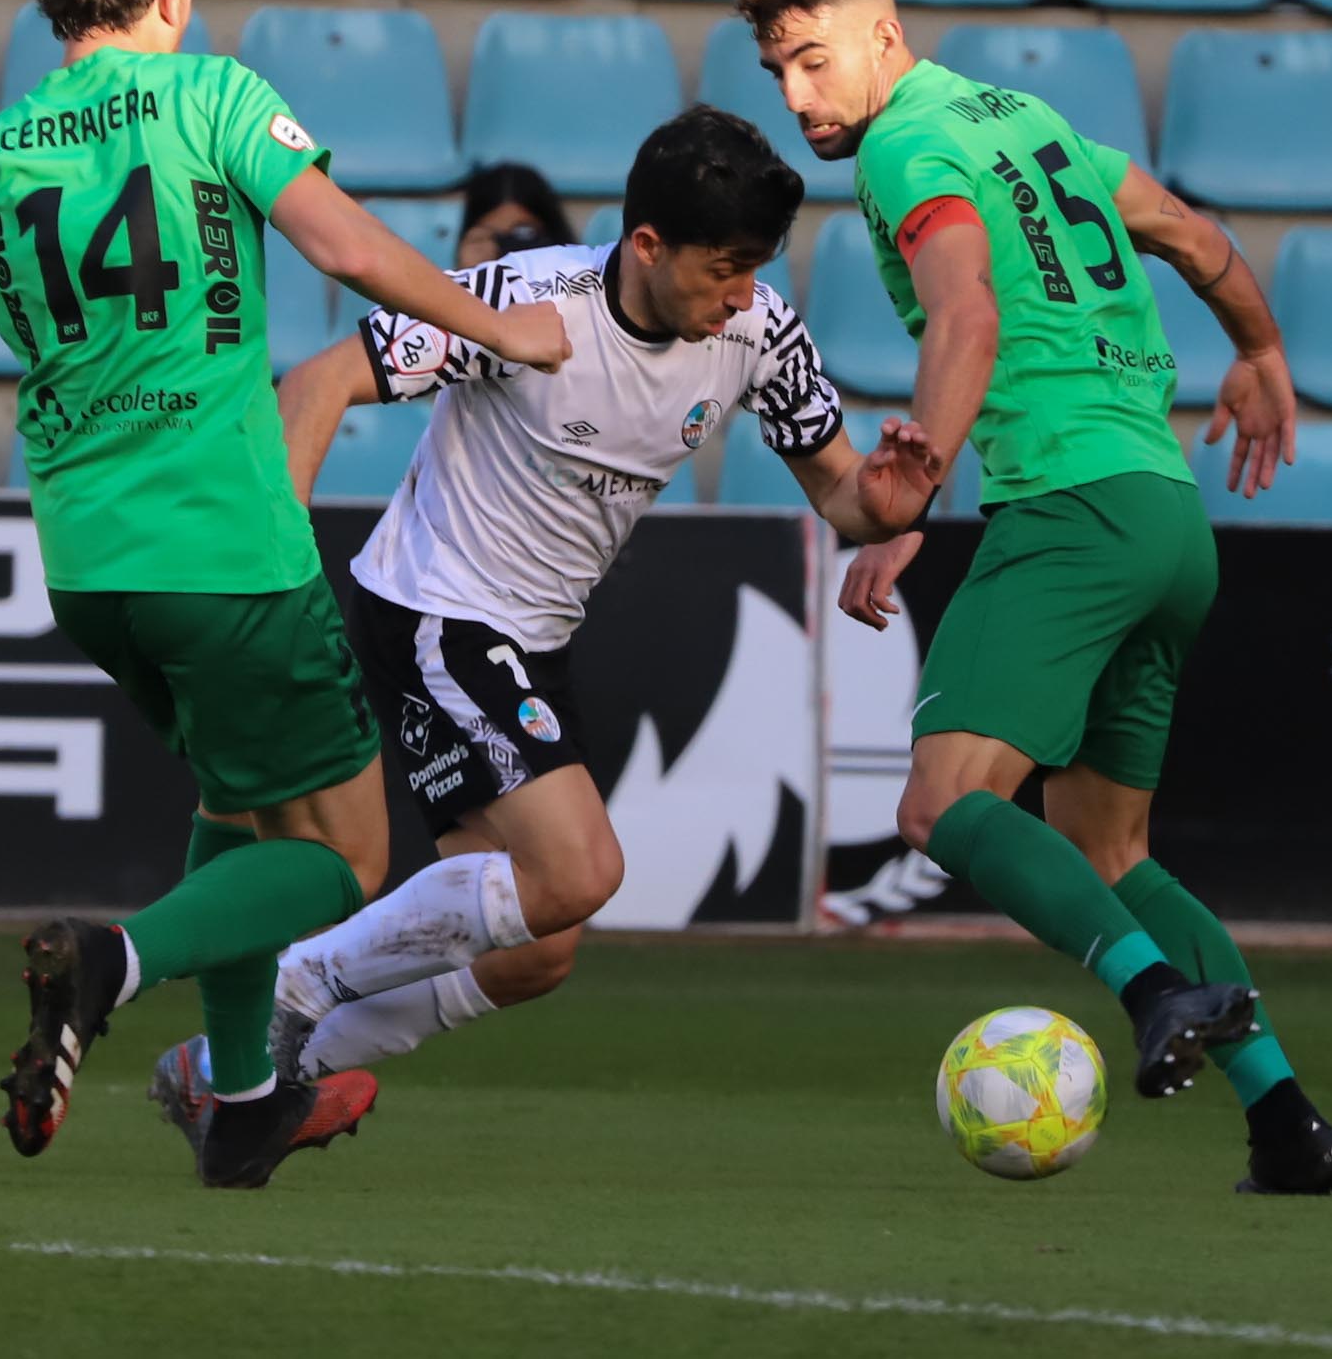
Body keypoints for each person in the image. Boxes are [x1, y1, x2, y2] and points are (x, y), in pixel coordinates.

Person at [0, 0, 573, 1191]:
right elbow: (347, 253)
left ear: (48, 0)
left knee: (236, 807)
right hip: (226, 548)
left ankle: (240, 1101)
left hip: (89, 566)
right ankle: (109, 964)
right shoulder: (215, 99)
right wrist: (503, 327)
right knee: (342, 859)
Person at [142, 105, 936, 1147]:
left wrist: (891, 500)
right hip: (436, 610)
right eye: (721, 267)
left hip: (530, 639)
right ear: (646, 244)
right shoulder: (526, 301)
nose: (740, 292)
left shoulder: (756, 331)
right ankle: (287, 991)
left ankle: (225, 1075)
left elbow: (846, 498)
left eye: (754, 267)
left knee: (535, 948)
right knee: (580, 871)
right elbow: (322, 377)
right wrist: (273, 571)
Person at [736, 0, 1332, 1196]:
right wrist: (1261, 348)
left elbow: (968, 312)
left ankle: (1149, 996)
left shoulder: (911, 148)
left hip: (1070, 512)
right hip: (1164, 520)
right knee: (1109, 852)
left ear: (882, 37)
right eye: (776, 73)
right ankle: (1284, 1121)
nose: (796, 96)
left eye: (811, 60)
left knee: (938, 805)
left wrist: (910, 485)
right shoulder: (1028, 121)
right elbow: (1184, 234)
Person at [454, 161, 575, 266]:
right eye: (494, 236)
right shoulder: (469, 280)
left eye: (522, 232)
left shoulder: (580, 276)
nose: (508, 245)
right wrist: (468, 275)